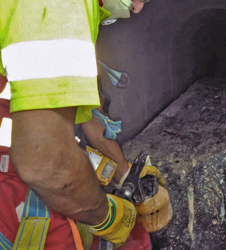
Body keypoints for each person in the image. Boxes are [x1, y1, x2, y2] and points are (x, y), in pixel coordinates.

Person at [0, 0, 158, 249]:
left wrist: (123, 171)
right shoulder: (59, 6)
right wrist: (106, 218)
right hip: (12, 197)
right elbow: (45, 165)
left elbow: (76, 111)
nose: (138, 7)